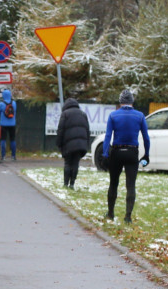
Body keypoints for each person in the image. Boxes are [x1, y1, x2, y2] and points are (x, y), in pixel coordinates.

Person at [100, 89, 150, 222]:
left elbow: (108, 136)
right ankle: (128, 216)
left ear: (120, 101)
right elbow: (146, 137)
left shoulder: (113, 115)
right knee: (131, 185)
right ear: (132, 101)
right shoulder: (140, 116)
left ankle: (110, 213)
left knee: (113, 183)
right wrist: (146, 155)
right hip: (132, 152)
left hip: (116, 152)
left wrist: (105, 154)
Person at [55, 98, 90, 188]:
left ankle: (65, 183)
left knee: (67, 163)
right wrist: (86, 144)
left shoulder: (65, 114)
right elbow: (87, 130)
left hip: (68, 145)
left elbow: (60, 130)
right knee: (75, 164)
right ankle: (72, 183)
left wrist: (59, 143)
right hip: (80, 145)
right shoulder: (83, 114)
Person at [0, 89, 17, 161]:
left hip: (3, 125)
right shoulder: (14, 103)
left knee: (3, 140)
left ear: (3, 95)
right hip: (12, 124)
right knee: (12, 140)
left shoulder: (1, 104)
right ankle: (13, 156)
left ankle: (3, 156)